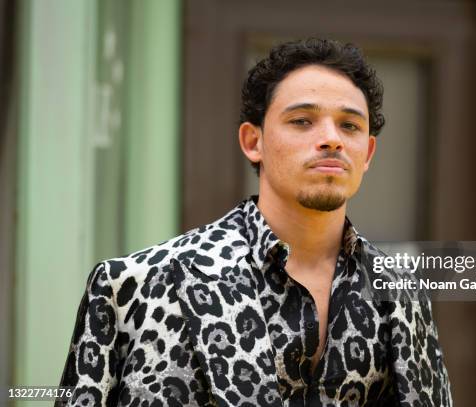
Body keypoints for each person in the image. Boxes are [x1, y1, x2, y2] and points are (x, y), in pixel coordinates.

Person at [57, 38, 452, 406]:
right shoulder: (134, 285)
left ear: (366, 153)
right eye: (302, 121)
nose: (331, 138)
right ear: (253, 141)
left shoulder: (401, 294)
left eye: (349, 125)